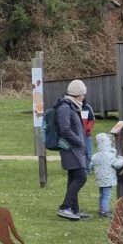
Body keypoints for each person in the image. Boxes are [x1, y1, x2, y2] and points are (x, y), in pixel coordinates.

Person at [53, 79, 91, 221]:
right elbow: (65, 130)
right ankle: (65, 207)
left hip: (74, 149)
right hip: (70, 148)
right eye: (82, 94)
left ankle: (74, 210)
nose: (83, 97)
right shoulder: (65, 107)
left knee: (74, 177)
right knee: (81, 177)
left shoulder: (72, 106)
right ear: (77, 94)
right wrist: (80, 142)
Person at [90, 132, 123, 218]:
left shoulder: (95, 156)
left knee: (102, 194)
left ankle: (101, 209)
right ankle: (104, 211)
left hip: (99, 179)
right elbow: (117, 164)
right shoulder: (110, 156)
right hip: (108, 179)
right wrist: (122, 159)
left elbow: (91, 165)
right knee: (106, 195)